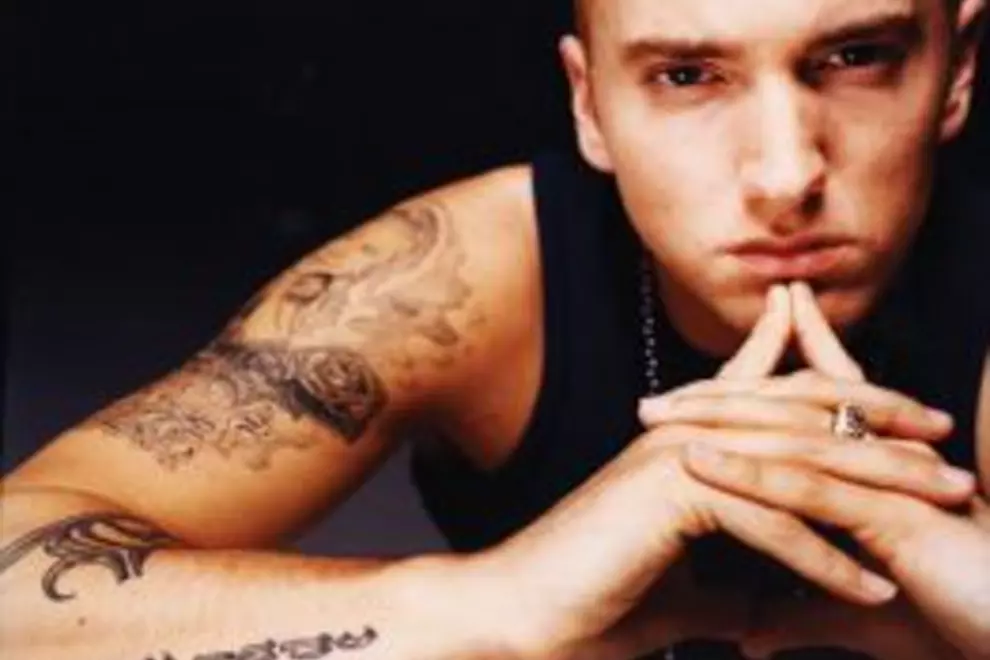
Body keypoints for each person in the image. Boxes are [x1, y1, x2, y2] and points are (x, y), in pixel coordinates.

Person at [2, 0, 989, 658]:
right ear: (590, 105)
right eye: (687, 76)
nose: (784, 175)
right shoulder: (457, 281)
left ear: (957, 69)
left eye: (858, 58)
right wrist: (500, 602)